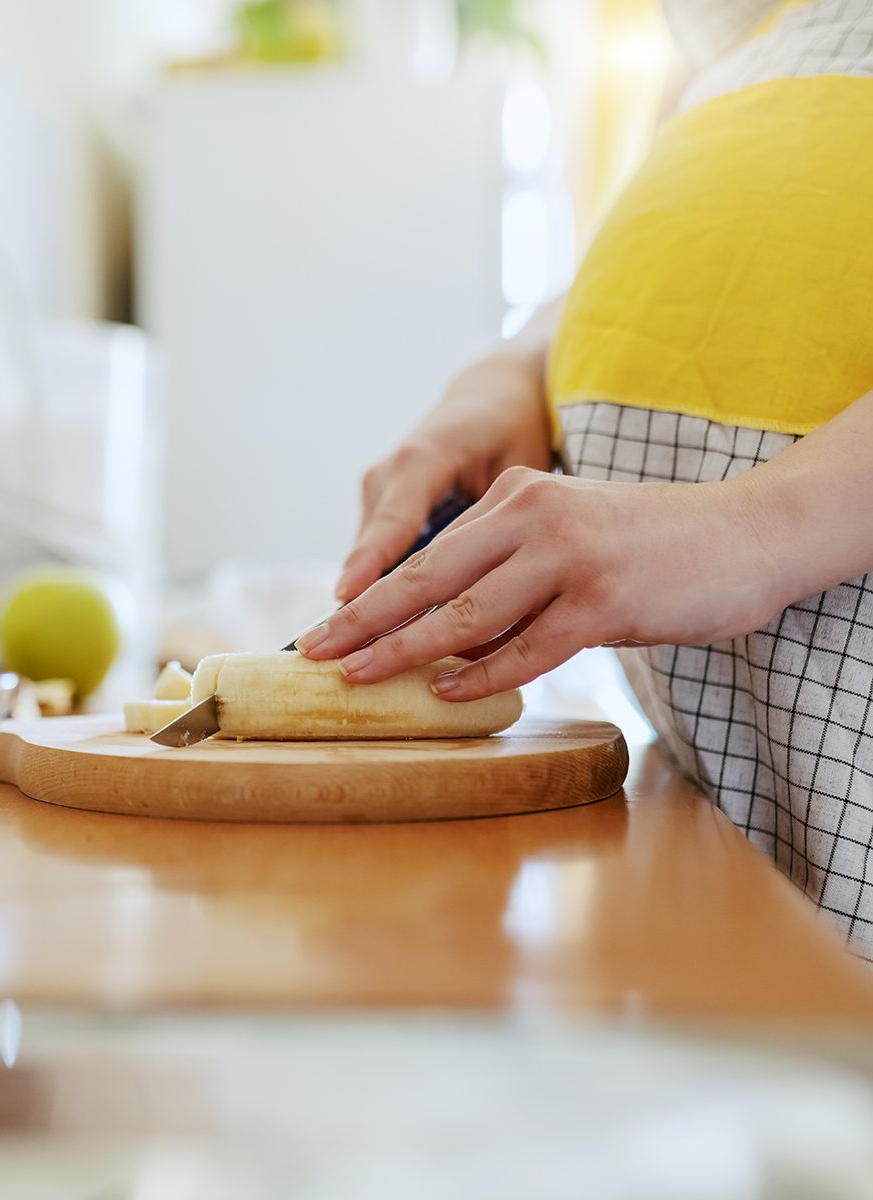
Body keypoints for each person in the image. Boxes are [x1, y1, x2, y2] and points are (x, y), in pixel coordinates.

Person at [296, 0, 873, 959]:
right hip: (728, 854)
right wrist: (514, 375)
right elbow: (666, 260)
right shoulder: (719, 40)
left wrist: (756, 527)